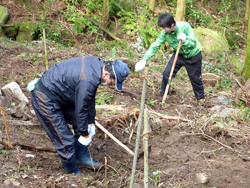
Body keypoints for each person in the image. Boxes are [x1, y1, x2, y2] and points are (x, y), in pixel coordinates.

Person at [31, 56, 129, 174]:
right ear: (106, 74)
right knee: (64, 138)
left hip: (62, 95)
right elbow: (81, 108)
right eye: (112, 82)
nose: (111, 85)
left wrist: (91, 121)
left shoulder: (96, 67)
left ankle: (82, 159)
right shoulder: (88, 79)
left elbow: (89, 98)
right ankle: (72, 172)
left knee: (84, 122)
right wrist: (84, 134)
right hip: (45, 97)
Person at [135, 13, 205, 101]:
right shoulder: (165, 34)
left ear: (172, 25)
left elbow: (193, 44)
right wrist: (144, 60)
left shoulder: (185, 26)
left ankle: (201, 99)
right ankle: (163, 94)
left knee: (195, 78)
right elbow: (155, 45)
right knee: (167, 73)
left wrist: (185, 41)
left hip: (193, 55)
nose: (163, 30)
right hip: (179, 54)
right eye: (162, 28)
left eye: (165, 28)